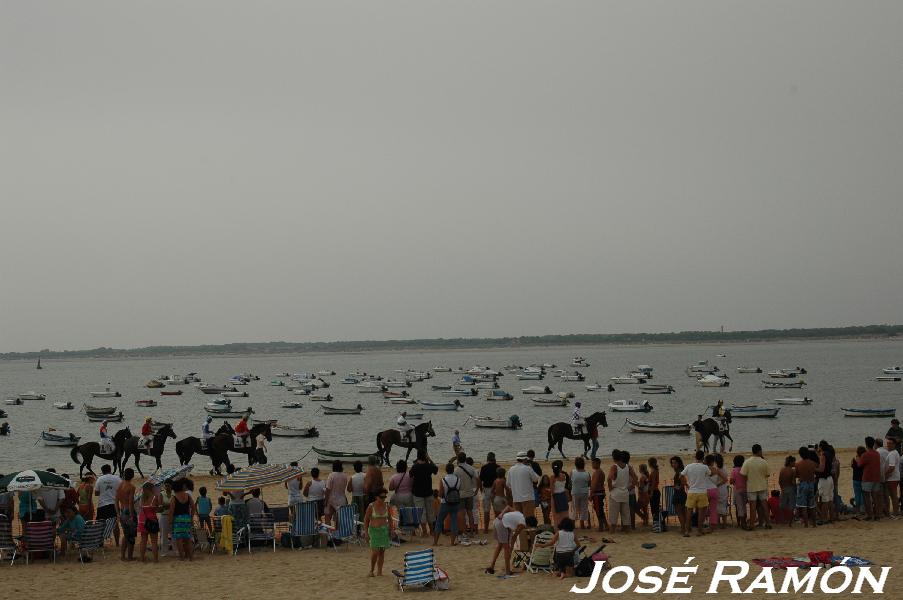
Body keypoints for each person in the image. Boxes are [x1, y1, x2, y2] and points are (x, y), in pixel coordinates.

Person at [485, 502, 528, 576]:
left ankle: (491, 567)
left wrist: (501, 514)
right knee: (506, 548)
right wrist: (510, 550)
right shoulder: (523, 524)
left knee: (500, 545)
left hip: (496, 522)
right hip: (502, 524)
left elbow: (508, 507)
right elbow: (514, 537)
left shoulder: (520, 514)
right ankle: (507, 571)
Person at [681, 450, 713, 537]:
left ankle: (687, 531)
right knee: (701, 513)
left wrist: (686, 484)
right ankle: (699, 530)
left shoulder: (689, 466)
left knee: (689, 512)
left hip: (691, 491)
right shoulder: (704, 467)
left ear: (695, 457)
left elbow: (681, 475)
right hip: (702, 491)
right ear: (703, 458)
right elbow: (710, 474)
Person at [363, 487, 393, 577]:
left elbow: (390, 519)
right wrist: (366, 532)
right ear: (376, 497)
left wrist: (391, 530)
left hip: (384, 531)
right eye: (381, 497)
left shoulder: (387, 506)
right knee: (375, 552)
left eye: (385, 497)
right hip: (374, 531)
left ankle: (379, 571)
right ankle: (371, 570)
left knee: (382, 552)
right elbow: (366, 520)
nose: (383, 499)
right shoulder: (371, 506)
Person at [741, 444, 771, 530]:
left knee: (752, 506)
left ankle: (752, 525)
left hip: (751, 486)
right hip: (762, 485)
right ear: (759, 451)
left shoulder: (747, 462)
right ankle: (768, 523)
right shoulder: (764, 462)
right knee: (764, 504)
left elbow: (743, 474)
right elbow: (767, 474)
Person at [409, 452, 438, 536]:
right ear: (425, 457)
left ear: (418, 457)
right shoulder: (429, 466)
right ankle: (432, 531)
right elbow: (436, 470)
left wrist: (416, 463)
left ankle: (425, 532)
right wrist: (430, 459)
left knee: (421, 513)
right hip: (428, 492)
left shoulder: (415, 467)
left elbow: (410, 475)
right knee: (430, 512)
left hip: (418, 493)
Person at [433, 462, 462, 546]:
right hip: (455, 503)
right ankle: (452, 542)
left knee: (439, 521)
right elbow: (458, 490)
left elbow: (441, 494)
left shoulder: (443, 480)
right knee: (454, 521)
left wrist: (438, 494)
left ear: (446, 470)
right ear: (453, 470)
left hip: (445, 503)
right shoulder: (458, 479)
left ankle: (435, 542)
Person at [608, 450, 635, 534]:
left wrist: (610, 488)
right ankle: (628, 531)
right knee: (626, 515)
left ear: (613, 457)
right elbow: (635, 478)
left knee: (613, 515)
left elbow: (609, 478)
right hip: (625, 493)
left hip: (615, 493)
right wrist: (631, 486)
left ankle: (612, 531)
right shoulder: (628, 467)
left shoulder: (614, 467)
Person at [94, 463, 122, 544]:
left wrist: (104, 491)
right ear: (110, 470)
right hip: (114, 504)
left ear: (102, 471)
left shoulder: (100, 479)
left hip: (102, 505)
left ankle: (100, 542)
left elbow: (96, 493)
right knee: (115, 524)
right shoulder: (117, 478)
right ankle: (117, 543)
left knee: (101, 524)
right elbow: (121, 489)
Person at [168, 479, 194, 561]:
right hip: (186, 518)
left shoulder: (174, 498)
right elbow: (193, 507)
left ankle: (181, 557)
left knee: (179, 539)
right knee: (187, 539)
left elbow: (171, 511)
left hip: (178, 519)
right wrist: (191, 517)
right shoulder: (187, 496)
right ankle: (190, 557)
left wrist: (170, 521)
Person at [858, 437, 882, 521]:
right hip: (876, 477)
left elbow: (859, 464)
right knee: (875, 497)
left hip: (868, 477)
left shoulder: (866, 454)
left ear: (866, 444)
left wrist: (857, 458)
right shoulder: (877, 453)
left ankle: (869, 515)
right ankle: (877, 515)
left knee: (866, 497)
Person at [116, 468, 137, 561]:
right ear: (132, 475)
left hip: (122, 511)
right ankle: (130, 557)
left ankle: (123, 556)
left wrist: (117, 513)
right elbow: (131, 502)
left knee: (126, 534)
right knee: (131, 535)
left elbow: (116, 501)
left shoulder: (120, 485)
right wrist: (132, 515)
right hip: (128, 511)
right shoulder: (131, 487)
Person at [454, 452, 478, 534]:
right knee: (470, 513)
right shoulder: (471, 468)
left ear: (458, 459)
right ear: (465, 458)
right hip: (470, 493)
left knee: (462, 514)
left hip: (460, 494)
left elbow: (455, 482)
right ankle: (472, 531)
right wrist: (477, 489)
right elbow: (477, 479)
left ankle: (464, 532)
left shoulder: (456, 470)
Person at [137, 482, 160, 563]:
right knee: (154, 541)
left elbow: (140, 508)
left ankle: (142, 558)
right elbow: (157, 509)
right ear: (151, 489)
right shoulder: (154, 498)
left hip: (142, 520)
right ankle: (155, 559)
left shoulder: (141, 498)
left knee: (143, 540)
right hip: (152, 520)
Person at [795, 447, 818, 527]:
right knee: (812, 505)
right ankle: (814, 524)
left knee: (803, 506)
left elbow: (797, 475)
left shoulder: (798, 464)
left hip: (803, 484)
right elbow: (815, 472)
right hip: (811, 484)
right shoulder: (813, 463)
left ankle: (806, 524)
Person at [479, 452, 499, 533]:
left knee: (486, 511)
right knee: (496, 510)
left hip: (486, 490)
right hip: (495, 490)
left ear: (487, 459)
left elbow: (480, 480)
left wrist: (481, 489)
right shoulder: (498, 467)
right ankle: (497, 528)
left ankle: (486, 529)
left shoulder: (484, 467)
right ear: (494, 458)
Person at [325, 460, 349, 524]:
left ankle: (328, 532)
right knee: (339, 520)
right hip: (342, 499)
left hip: (332, 500)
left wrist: (326, 500)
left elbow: (328, 489)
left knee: (327, 518)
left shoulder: (331, 475)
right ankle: (338, 532)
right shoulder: (344, 476)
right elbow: (343, 489)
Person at [571, 456, 591, 530]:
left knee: (574, 508)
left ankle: (573, 525)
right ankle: (582, 525)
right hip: (584, 492)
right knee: (584, 508)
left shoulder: (573, 472)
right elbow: (589, 483)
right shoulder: (587, 473)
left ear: (576, 464)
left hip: (575, 492)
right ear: (583, 464)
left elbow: (571, 483)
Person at [550, 460, 571, 528]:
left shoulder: (552, 477)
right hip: (563, 495)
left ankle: (558, 531)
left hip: (556, 496)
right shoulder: (563, 475)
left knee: (556, 516)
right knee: (565, 514)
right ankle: (566, 528)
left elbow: (552, 490)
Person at [730, 455, 748, 530]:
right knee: (743, 506)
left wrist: (734, 482)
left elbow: (731, 481)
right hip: (745, 489)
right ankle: (744, 521)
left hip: (737, 489)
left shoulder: (734, 470)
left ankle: (740, 523)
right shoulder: (745, 469)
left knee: (738, 507)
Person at [590, 457, 608, 532]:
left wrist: (591, 494)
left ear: (597, 464)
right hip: (600, 492)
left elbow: (594, 484)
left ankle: (601, 526)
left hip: (597, 493)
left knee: (598, 510)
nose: (592, 464)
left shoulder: (597, 472)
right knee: (599, 509)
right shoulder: (600, 471)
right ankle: (605, 525)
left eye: (593, 463)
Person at [884, 437, 900, 516]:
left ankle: (895, 512)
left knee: (893, 496)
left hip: (892, 478)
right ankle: (895, 512)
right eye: (887, 443)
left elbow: (892, 467)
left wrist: (885, 475)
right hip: (894, 477)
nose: (888, 445)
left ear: (894, 444)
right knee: (893, 495)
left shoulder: (892, 453)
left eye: (890, 443)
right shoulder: (894, 452)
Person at [778, 456, 797, 526]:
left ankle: (783, 520)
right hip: (790, 488)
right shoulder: (792, 471)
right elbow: (793, 482)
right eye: (794, 462)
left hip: (783, 488)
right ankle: (790, 522)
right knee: (791, 506)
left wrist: (782, 488)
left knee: (782, 505)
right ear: (790, 462)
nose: (795, 463)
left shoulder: (782, 470)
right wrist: (796, 488)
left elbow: (779, 481)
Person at [851, 446, 866, 515]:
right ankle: (862, 509)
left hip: (855, 479)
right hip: (862, 479)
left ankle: (857, 510)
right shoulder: (864, 460)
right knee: (863, 494)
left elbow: (852, 466)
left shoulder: (854, 459)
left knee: (857, 495)